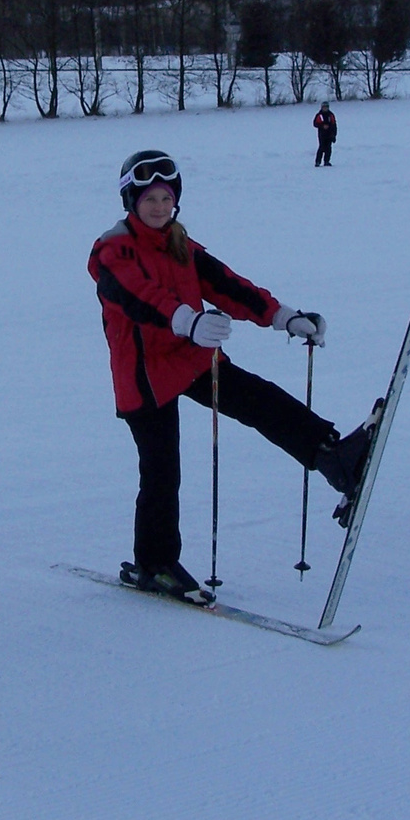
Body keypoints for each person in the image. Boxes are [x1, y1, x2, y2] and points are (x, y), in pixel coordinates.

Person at [88, 150, 373, 602]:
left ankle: (331, 457)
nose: (159, 207)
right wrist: (190, 321)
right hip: (144, 372)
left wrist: (283, 316)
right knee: (162, 468)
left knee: (258, 399)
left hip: (190, 355)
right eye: (150, 199)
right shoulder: (113, 249)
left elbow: (228, 285)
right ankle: (154, 563)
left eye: (166, 198)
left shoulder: (182, 245)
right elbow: (137, 296)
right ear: (130, 200)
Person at [313, 101, 337, 167]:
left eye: (326, 107)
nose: (325, 108)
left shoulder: (331, 115)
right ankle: (318, 161)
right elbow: (315, 123)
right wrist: (322, 126)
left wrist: (334, 135)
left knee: (328, 148)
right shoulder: (319, 115)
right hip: (322, 134)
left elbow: (334, 125)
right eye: (324, 107)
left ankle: (327, 161)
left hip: (330, 134)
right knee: (321, 147)